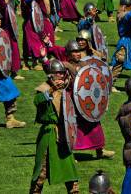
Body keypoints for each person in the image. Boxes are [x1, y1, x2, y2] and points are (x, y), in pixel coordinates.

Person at [29, 59, 79, 193]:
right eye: (58, 73)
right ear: (51, 75)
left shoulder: (67, 90)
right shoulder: (43, 89)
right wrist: (52, 90)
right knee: (41, 172)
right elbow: (37, 101)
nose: (61, 76)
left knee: (70, 172)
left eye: (62, 73)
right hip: (48, 135)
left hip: (64, 134)